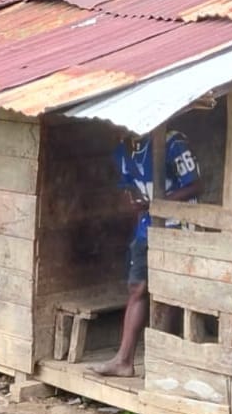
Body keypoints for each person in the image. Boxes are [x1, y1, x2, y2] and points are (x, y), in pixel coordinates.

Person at [87, 130, 202, 378]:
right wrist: (139, 211)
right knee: (137, 288)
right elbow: (131, 191)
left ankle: (164, 363)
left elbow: (195, 185)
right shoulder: (123, 149)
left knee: (167, 291)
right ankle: (124, 361)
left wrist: (158, 203)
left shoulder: (173, 142)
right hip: (146, 228)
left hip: (177, 227)